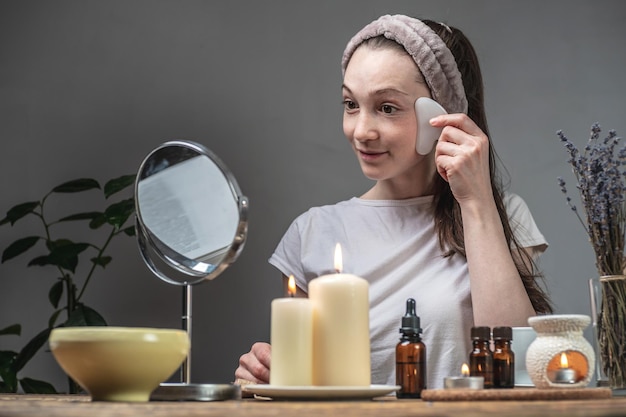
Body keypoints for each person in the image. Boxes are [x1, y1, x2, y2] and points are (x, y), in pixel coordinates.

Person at [235, 14, 552, 389]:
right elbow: (306, 382)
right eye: (351, 104)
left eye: (387, 108)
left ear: (442, 114)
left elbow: (515, 365)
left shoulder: (501, 216)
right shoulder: (313, 232)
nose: (361, 131)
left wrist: (476, 201)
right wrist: (267, 373)